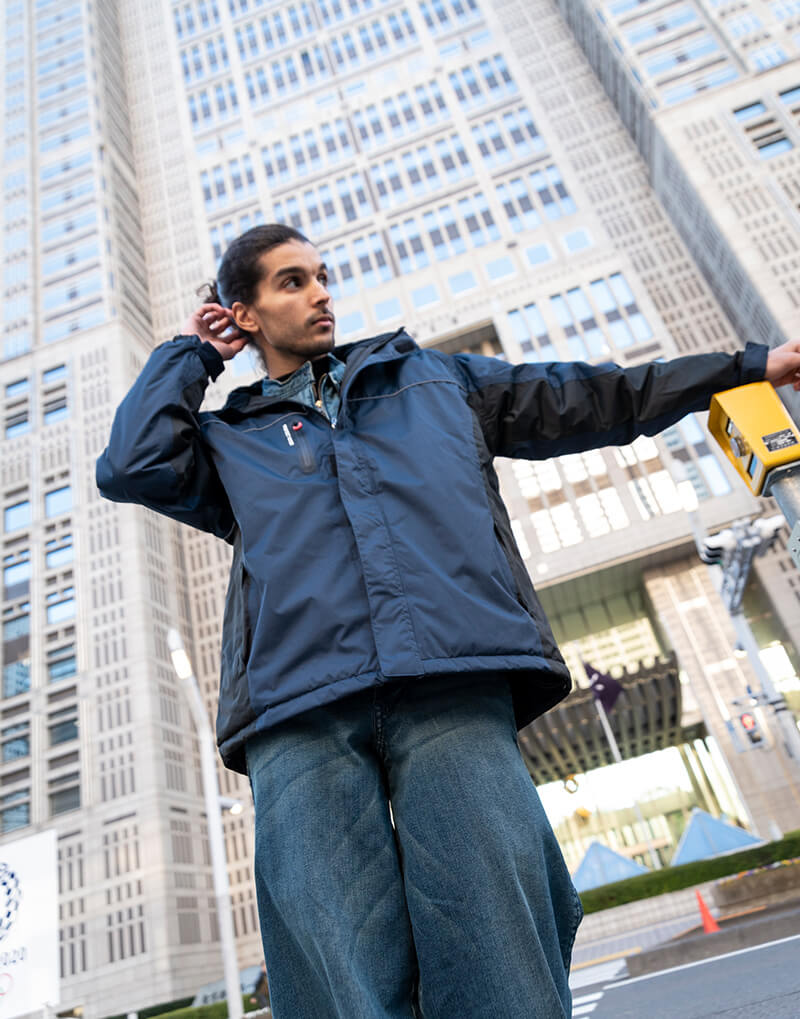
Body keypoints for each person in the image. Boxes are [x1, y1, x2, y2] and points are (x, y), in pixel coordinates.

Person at [96, 224, 800, 1019]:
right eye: (291, 281)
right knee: (334, 945)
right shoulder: (229, 438)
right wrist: (193, 355)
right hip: (299, 707)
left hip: (450, 675)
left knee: (496, 916)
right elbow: (131, 465)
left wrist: (748, 367)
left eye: (322, 275)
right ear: (244, 313)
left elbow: (595, 396)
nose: (321, 291)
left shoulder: (433, 381)